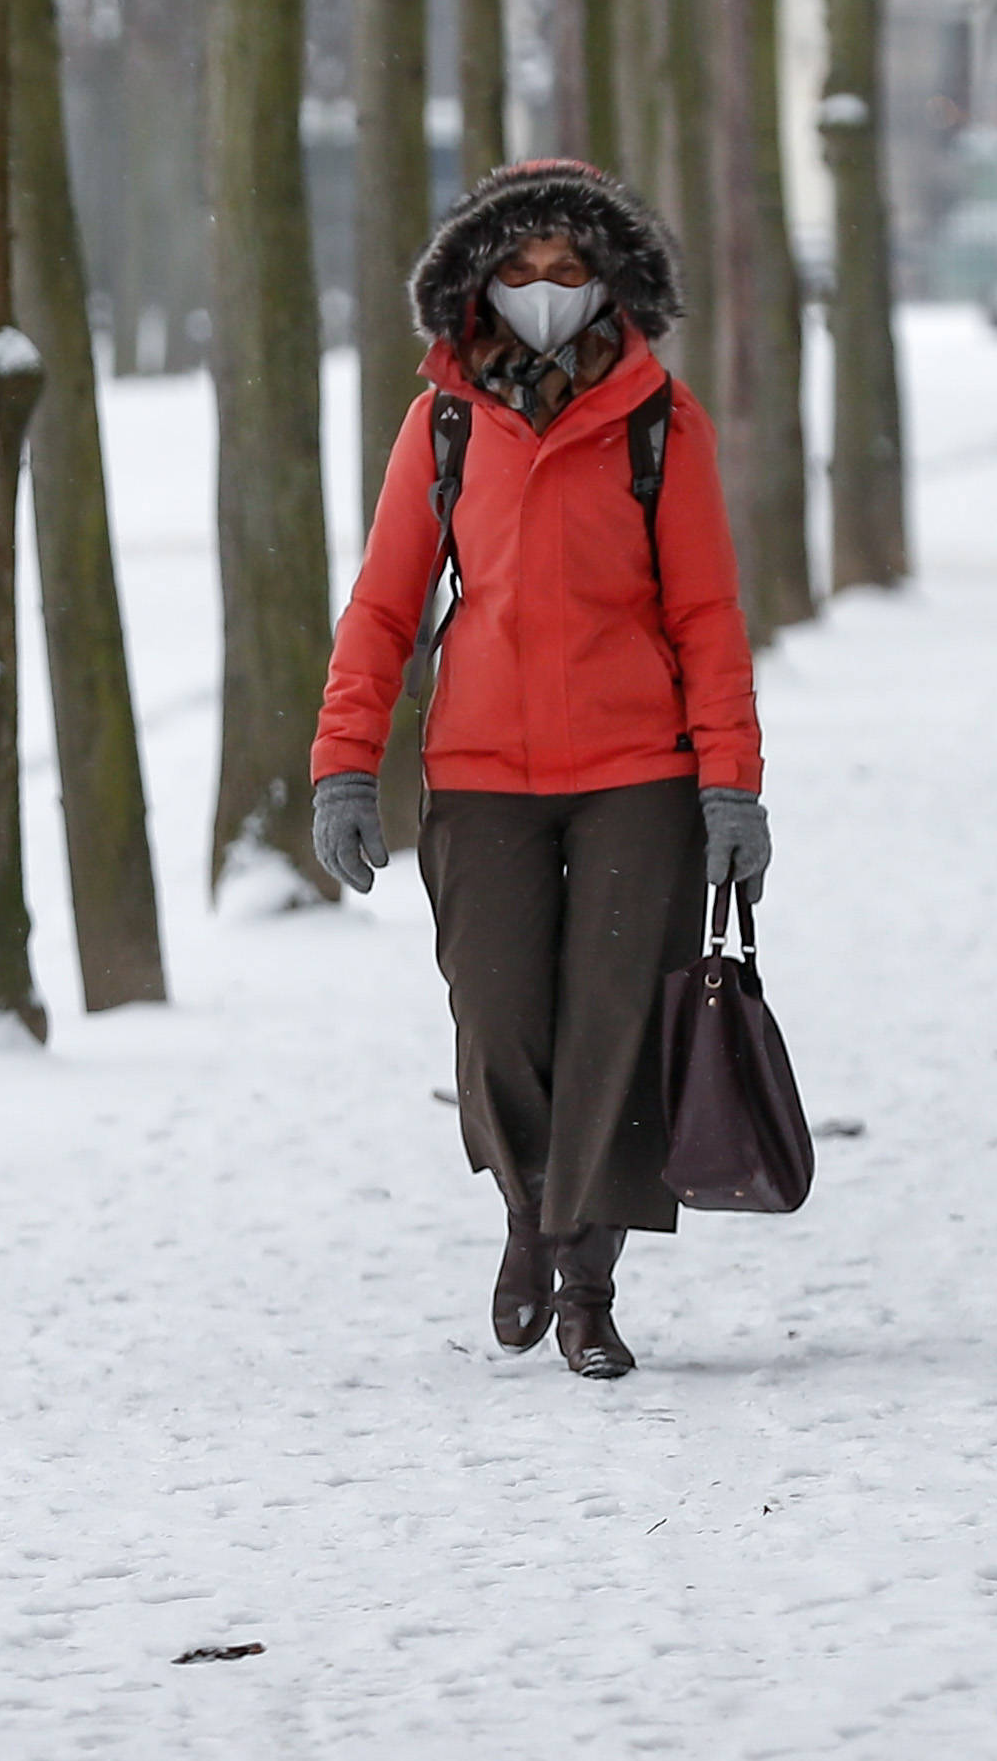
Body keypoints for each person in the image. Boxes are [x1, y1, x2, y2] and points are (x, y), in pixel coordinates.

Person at [306, 159, 765, 1383]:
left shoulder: (662, 422)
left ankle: (586, 1281)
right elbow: (383, 603)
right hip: (480, 772)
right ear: (477, 281)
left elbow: (709, 615)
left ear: (609, 280)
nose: (546, 289)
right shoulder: (443, 425)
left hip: (637, 774)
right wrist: (344, 763)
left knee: (614, 1023)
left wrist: (729, 784)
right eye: (520, 269)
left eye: (570, 270)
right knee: (501, 1018)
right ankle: (525, 1214)